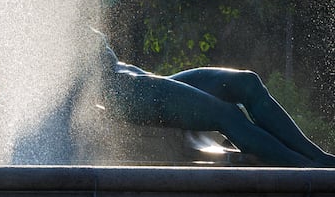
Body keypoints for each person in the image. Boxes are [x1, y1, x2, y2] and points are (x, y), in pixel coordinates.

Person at [92, 28, 335, 167]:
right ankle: (307, 169)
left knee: (247, 82)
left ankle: (316, 157)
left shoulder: (74, 4)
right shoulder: (57, 24)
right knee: (227, 114)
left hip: (140, 79)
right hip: (125, 95)